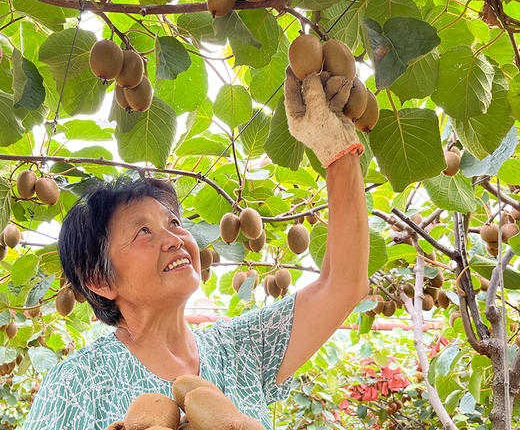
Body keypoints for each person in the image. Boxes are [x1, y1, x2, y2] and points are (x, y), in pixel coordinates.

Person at [22, 70, 369, 430]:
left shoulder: (240, 348)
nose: (175, 238)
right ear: (99, 279)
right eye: (143, 231)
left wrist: (338, 153)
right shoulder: (75, 384)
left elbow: (342, 285)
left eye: (173, 223)